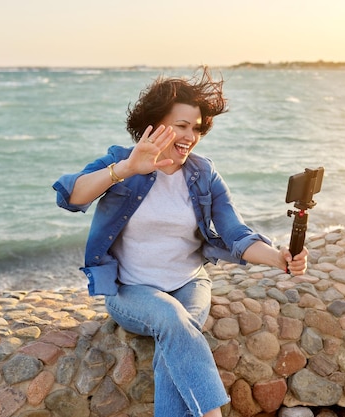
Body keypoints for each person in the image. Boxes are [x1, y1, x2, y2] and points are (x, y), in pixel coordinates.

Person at [52, 67, 308, 417]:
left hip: (189, 282)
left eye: (197, 127)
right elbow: (71, 197)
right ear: (155, 126)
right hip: (130, 291)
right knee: (172, 320)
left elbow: (235, 232)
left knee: (175, 339)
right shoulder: (121, 161)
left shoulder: (203, 174)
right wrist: (128, 168)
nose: (191, 136)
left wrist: (278, 257)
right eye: (182, 126)